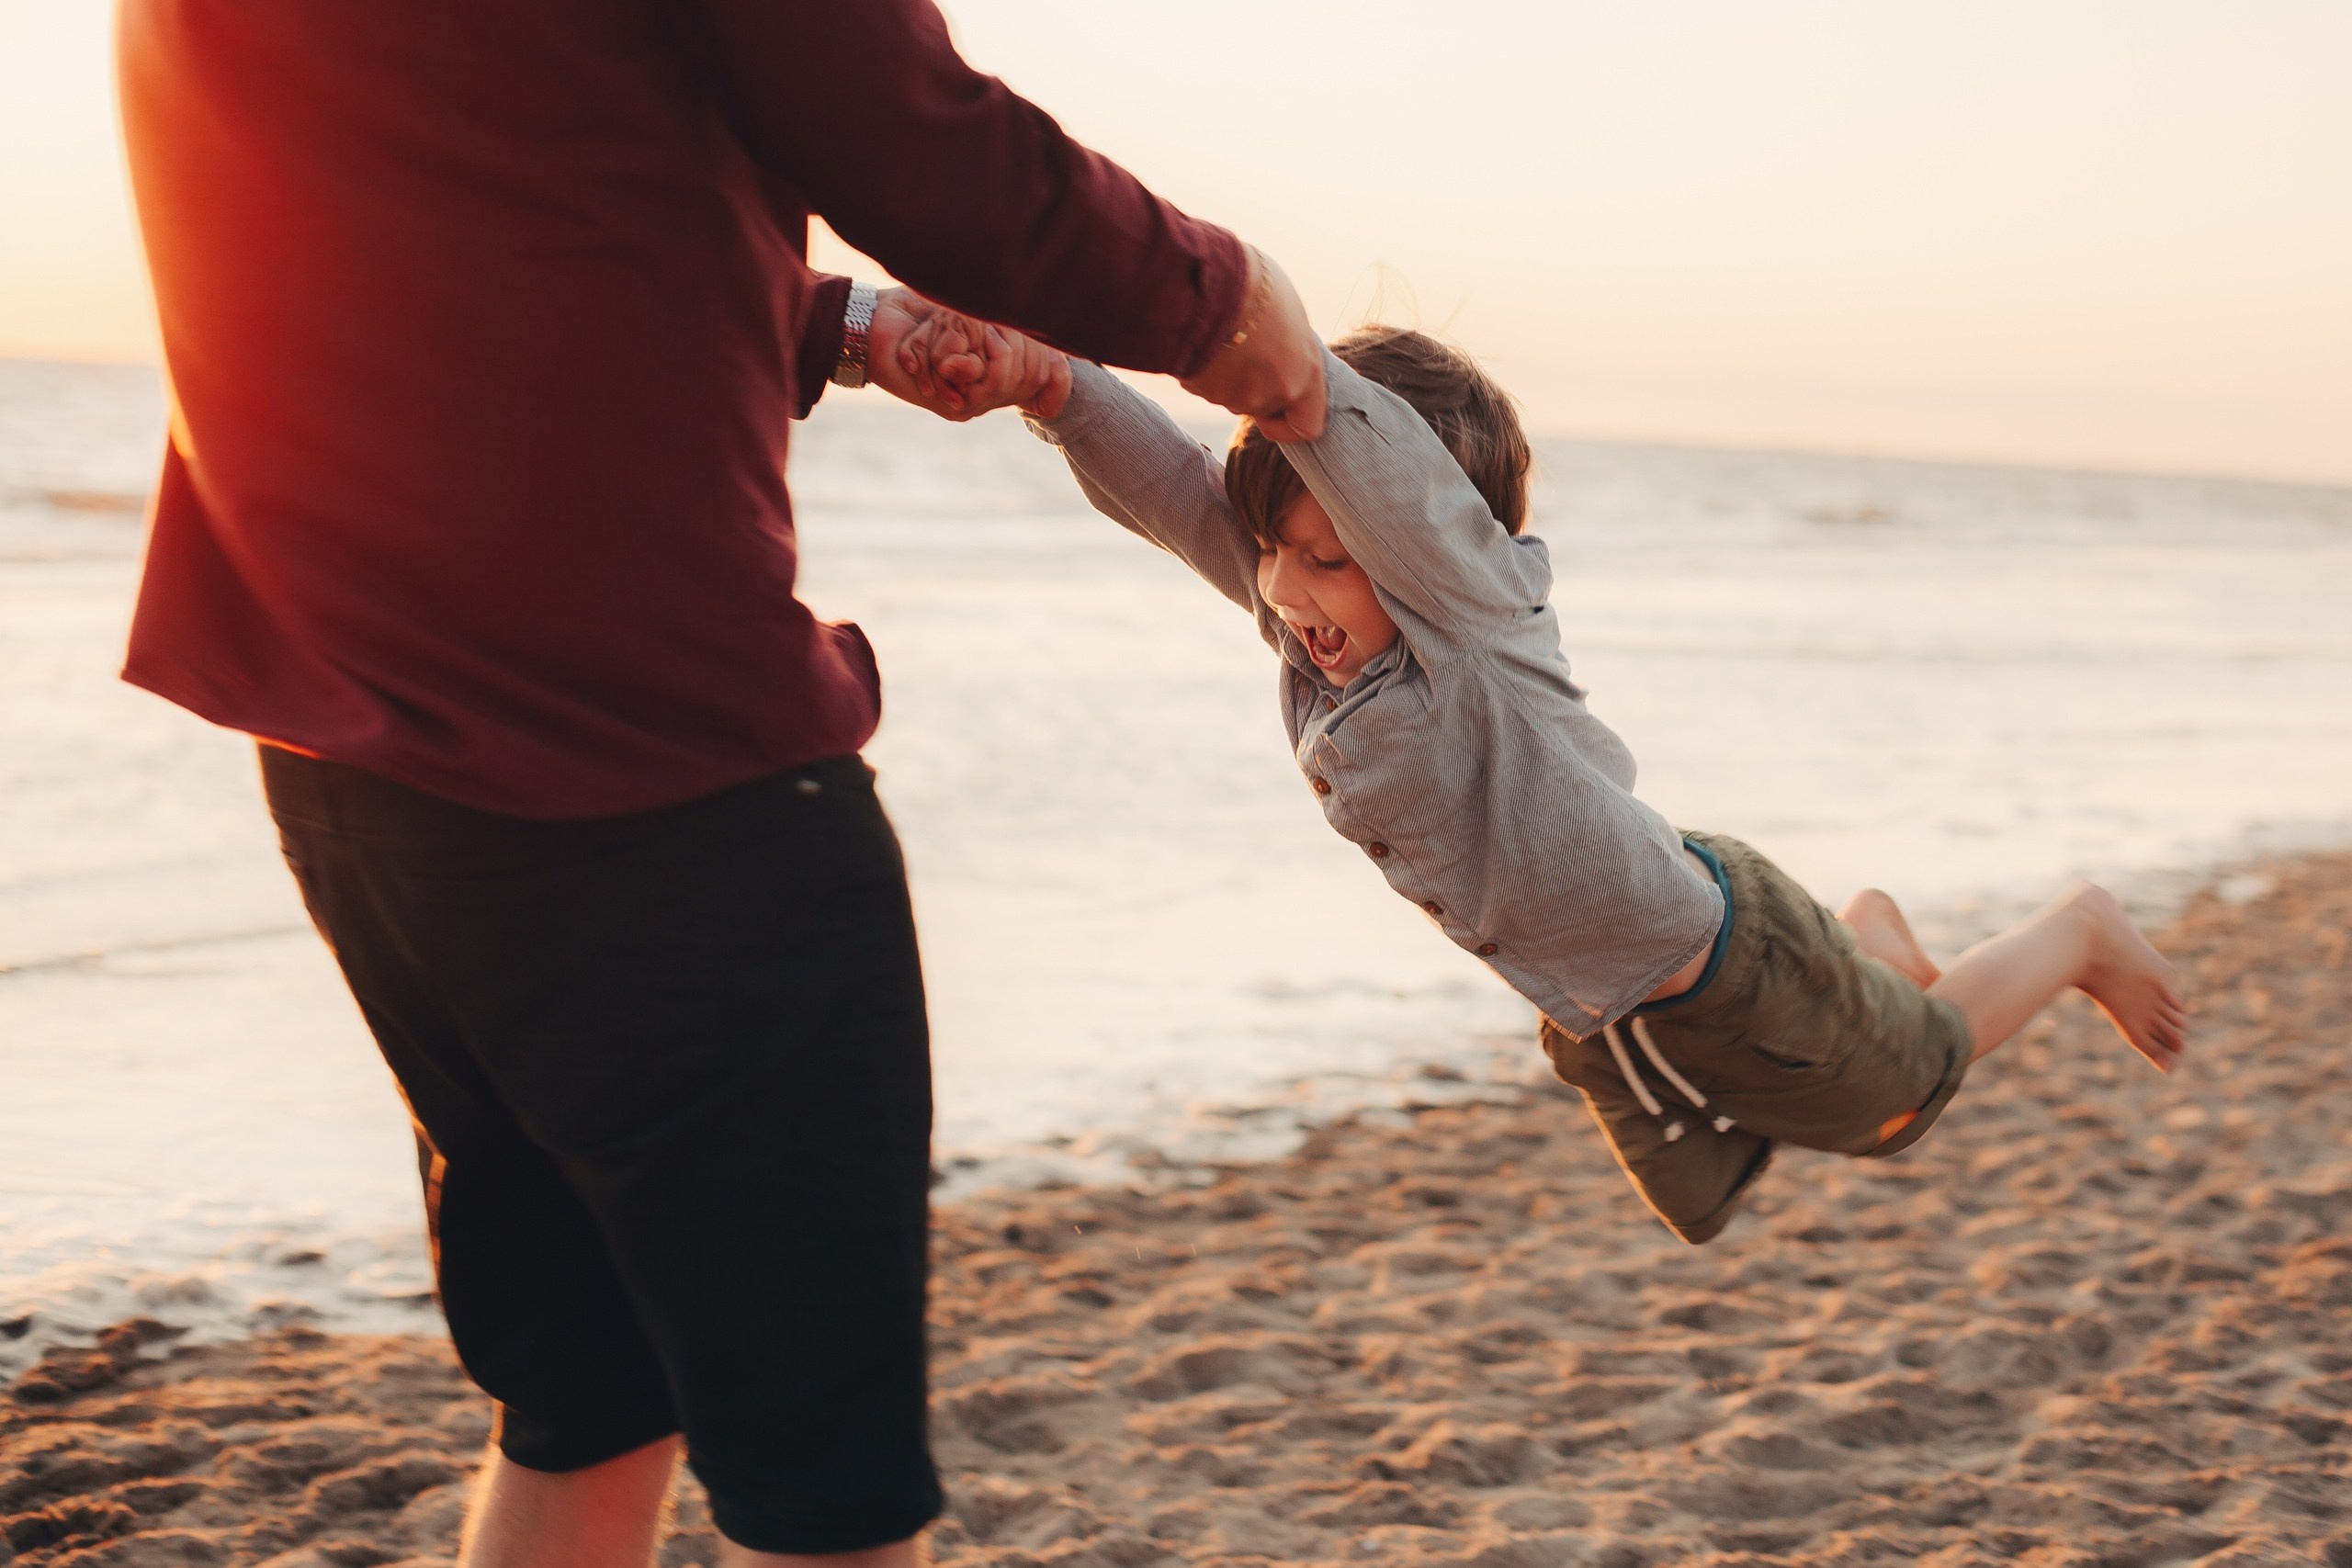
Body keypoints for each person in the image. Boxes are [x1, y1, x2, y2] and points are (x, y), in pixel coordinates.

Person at [111, 2, 1326, 1564]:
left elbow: (451, 156)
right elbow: (908, 126)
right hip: (640, 769)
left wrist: (834, 327)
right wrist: (1227, 304)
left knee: (588, 1406)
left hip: (345, 741)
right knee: (825, 1499)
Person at [1023, 324, 2188, 1246]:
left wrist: (1289, 369)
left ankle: (2076, 933)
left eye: (1329, 558)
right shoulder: (1318, 634)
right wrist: (1053, 386)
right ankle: (1865, 941)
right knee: (1722, 1181)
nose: (1289, 588)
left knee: (1904, 1093)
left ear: (1431, 549)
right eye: (1277, 550)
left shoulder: (1469, 619)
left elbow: (1389, 490)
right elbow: (1177, 494)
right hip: (1621, 1007)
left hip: (1721, 966)